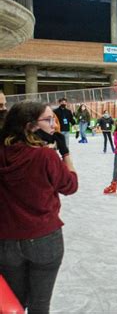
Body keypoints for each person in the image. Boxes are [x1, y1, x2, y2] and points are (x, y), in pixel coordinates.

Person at [0, 101, 78, 313]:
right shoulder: (44, 156)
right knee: (40, 305)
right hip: (44, 238)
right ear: (30, 125)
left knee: (14, 305)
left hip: (6, 240)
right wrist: (65, 153)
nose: (54, 124)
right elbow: (70, 185)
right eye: (48, 120)